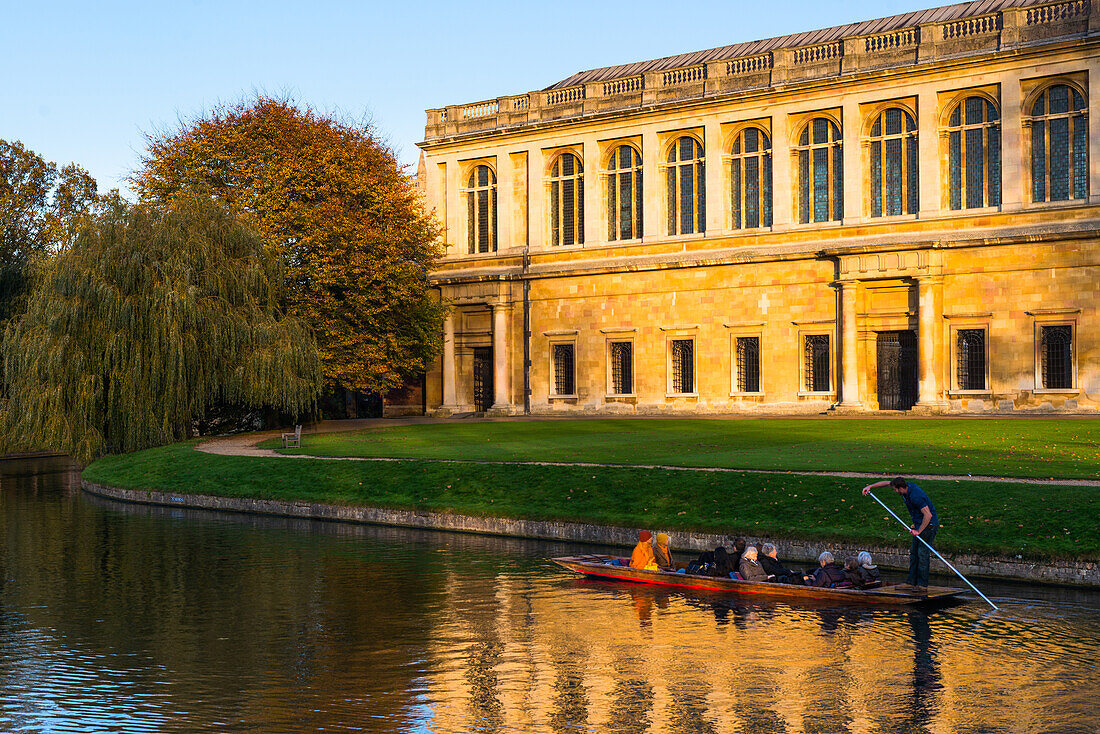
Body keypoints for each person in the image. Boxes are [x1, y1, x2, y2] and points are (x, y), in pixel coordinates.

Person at [863, 477, 939, 592]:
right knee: (914, 554)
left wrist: (919, 531)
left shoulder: (915, 496)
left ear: (901, 488)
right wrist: (870, 487)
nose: (894, 492)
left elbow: (928, 515)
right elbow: (886, 483)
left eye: (895, 490)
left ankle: (922, 585)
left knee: (922, 554)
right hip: (919, 525)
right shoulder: (903, 487)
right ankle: (911, 583)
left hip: (929, 526)